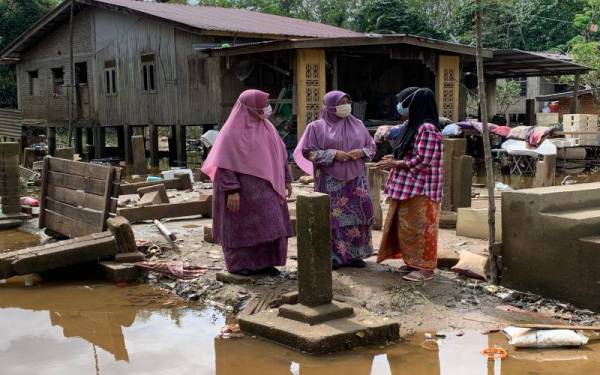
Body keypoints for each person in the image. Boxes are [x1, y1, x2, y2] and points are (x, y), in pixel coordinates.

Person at [201, 89, 294, 276]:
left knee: (271, 225)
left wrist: (287, 179)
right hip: (241, 192)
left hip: (267, 189)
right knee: (241, 229)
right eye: (263, 104)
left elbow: (281, 155)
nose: (267, 108)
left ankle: (266, 263)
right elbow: (223, 164)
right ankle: (241, 265)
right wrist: (231, 189)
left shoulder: (268, 128)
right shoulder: (230, 133)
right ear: (250, 107)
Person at [294, 91, 376, 269]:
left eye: (348, 101)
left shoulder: (358, 124)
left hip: (356, 180)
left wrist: (361, 152)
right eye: (341, 102)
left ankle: (355, 255)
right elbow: (308, 151)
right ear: (330, 106)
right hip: (330, 181)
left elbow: (371, 146)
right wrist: (333, 154)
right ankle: (334, 257)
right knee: (332, 218)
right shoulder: (316, 127)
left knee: (358, 214)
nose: (346, 105)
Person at [375, 87, 443, 282]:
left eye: (403, 103)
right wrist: (393, 158)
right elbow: (411, 152)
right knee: (408, 227)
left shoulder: (427, 128)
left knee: (423, 228)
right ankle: (414, 262)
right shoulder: (413, 125)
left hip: (422, 188)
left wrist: (395, 163)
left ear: (414, 105)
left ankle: (426, 269)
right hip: (409, 186)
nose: (399, 107)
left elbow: (423, 160)